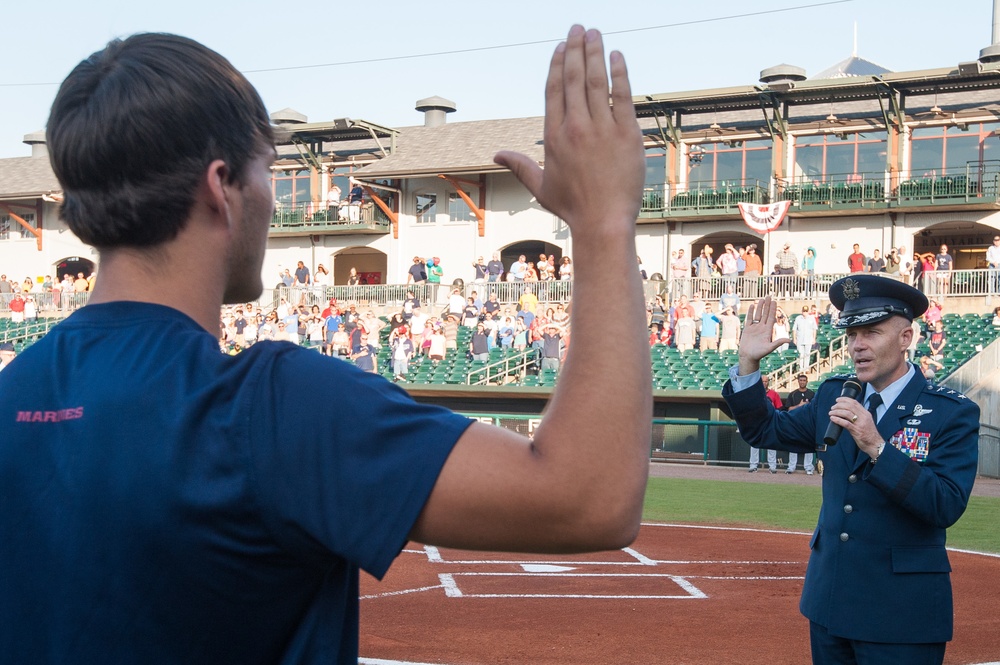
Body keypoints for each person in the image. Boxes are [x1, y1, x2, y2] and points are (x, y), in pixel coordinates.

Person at [0, 28, 651, 664]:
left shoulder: (11, 393)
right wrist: (602, 221)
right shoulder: (274, 405)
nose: (270, 198)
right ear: (220, 186)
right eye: (270, 172)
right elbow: (588, 497)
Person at [724, 277, 979, 663]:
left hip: (902, 616)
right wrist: (748, 364)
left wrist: (877, 446)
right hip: (830, 604)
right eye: (851, 333)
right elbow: (765, 429)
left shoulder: (950, 411)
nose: (857, 345)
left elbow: (945, 504)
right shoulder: (834, 394)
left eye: (872, 332)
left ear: (906, 337)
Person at [783, 374, 815, 475]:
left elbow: (815, 408)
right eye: (800, 380)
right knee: (793, 444)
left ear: (807, 381)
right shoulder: (793, 394)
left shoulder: (812, 394)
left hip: (807, 422)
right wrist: (799, 405)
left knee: (808, 444)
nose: (802, 382)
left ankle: (808, 467)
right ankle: (791, 467)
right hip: (795, 422)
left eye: (804, 380)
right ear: (798, 381)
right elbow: (789, 409)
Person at [748, 374, 780, 473]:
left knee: (771, 444)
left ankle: (772, 467)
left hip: (770, 421)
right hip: (758, 422)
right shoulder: (754, 393)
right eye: (762, 381)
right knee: (754, 444)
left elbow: (779, 408)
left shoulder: (774, 394)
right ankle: (753, 466)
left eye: (766, 381)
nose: (764, 383)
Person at [792, 305, 817, 374]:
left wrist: (814, 338)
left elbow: (814, 329)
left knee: (807, 354)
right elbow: (794, 329)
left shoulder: (811, 318)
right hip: (800, 339)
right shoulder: (798, 318)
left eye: (806, 311)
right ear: (802, 311)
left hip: (808, 339)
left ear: (808, 311)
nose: (805, 312)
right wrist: (794, 339)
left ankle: (806, 368)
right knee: (800, 354)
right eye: (804, 311)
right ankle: (801, 368)